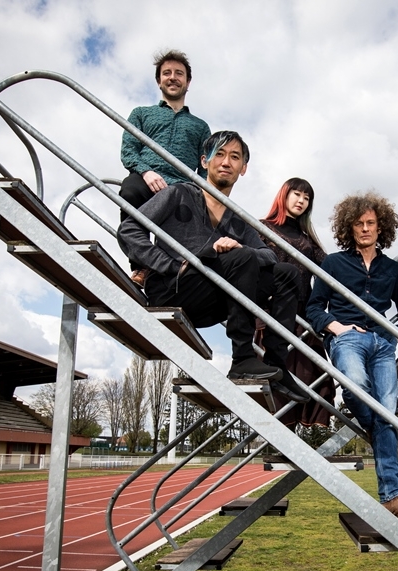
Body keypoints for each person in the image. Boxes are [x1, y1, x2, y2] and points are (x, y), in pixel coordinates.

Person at [118, 130, 307, 403]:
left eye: (234, 157)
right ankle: (242, 357)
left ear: (243, 169)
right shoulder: (178, 193)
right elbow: (129, 230)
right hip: (173, 288)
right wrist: (171, 265)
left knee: (286, 274)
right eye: (219, 154)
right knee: (240, 259)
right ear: (205, 161)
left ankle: (277, 364)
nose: (226, 162)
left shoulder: (238, 219)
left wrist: (240, 247)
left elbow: (270, 257)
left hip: (211, 299)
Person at [306, 192, 398, 522]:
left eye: (371, 223)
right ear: (350, 228)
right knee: (359, 388)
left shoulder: (393, 269)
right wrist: (337, 328)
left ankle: (394, 498)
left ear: (381, 227)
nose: (365, 229)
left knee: (387, 414)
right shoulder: (333, 263)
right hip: (348, 340)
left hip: (383, 344)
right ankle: (382, 436)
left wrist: (392, 334)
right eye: (358, 224)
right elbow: (314, 307)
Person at [119, 50, 211, 286]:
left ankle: (171, 279)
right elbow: (129, 150)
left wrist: (196, 189)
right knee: (129, 191)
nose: (173, 77)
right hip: (145, 176)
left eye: (179, 73)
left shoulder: (200, 126)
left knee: (189, 226)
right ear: (159, 80)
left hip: (181, 187)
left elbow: (206, 167)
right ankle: (141, 266)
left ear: (188, 82)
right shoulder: (141, 114)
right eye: (166, 73)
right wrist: (146, 171)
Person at [257, 178, 336, 425]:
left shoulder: (307, 240)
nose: (301, 201)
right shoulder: (261, 228)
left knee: (311, 377)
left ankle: (298, 447)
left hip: (303, 319)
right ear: (284, 195)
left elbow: (332, 268)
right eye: (297, 194)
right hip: (273, 315)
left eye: (307, 197)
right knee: (277, 380)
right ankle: (280, 441)